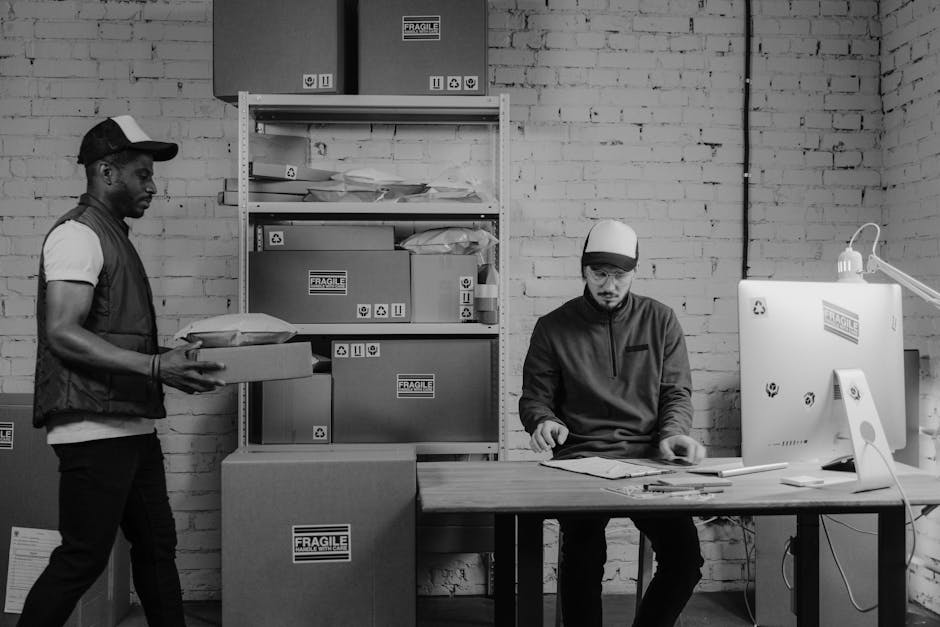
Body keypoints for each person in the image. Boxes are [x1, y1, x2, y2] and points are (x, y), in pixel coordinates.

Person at [19, 115, 226, 627]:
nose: (153, 186)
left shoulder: (112, 235)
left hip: (129, 424)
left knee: (157, 546)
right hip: (93, 427)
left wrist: (172, 354)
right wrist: (157, 365)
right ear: (107, 173)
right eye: (143, 174)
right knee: (83, 557)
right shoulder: (78, 235)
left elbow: (112, 327)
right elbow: (63, 331)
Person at [519, 219, 706, 627]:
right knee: (582, 557)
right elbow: (536, 397)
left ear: (635, 272)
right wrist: (543, 421)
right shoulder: (553, 327)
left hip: (648, 458)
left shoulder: (661, 320)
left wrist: (674, 433)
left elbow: (676, 393)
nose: (609, 285)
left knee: (686, 559)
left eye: (620, 275)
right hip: (580, 458)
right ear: (583, 271)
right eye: (599, 273)